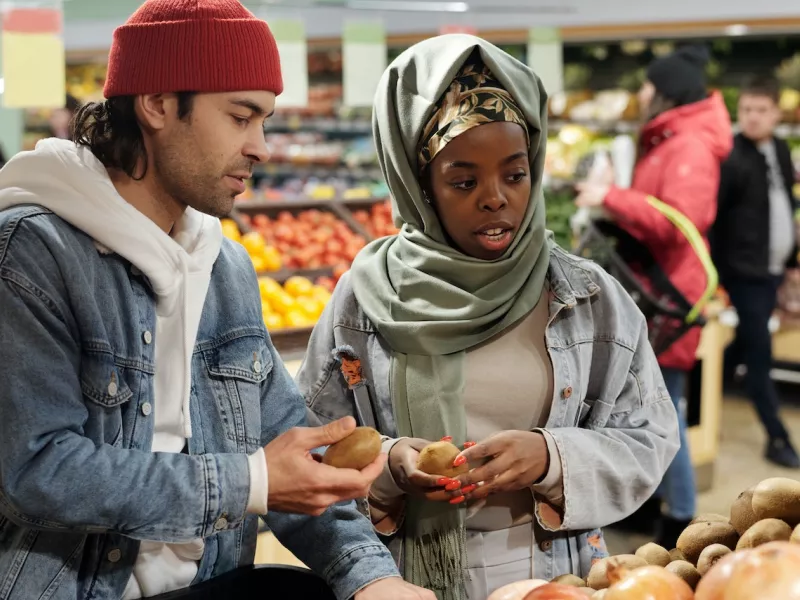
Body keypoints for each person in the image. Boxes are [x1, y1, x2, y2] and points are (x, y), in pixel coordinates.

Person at [0, 1, 434, 599]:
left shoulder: (222, 265)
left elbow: (285, 446)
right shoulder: (33, 253)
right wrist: (248, 482)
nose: (260, 146)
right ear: (155, 103)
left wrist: (371, 577)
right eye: (239, 116)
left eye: (265, 120)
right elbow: (37, 471)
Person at [297, 35, 679, 600]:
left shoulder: (588, 299)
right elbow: (306, 450)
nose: (496, 198)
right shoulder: (362, 301)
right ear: (419, 183)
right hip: (400, 582)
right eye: (464, 180)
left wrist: (552, 456)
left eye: (515, 174)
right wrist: (388, 464)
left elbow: (650, 438)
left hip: (555, 580)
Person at [574, 44, 733, 548]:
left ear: (663, 90)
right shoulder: (671, 139)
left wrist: (611, 199)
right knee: (651, 404)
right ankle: (655, 505)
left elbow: (681, 222)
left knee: (666, 409)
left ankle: (681, 515)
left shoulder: (688, 145)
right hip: (659, 289)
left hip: (669, 297)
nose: (639, 93)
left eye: (646, 84)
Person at [712, 75, 800, 469]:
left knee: (743, 345)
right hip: (744, 273)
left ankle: (702, 397)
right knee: (760, 352)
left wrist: (792, 259)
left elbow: (785, 205)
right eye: (746, 109)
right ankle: (777, 436)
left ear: (776, 113)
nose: (752, 117)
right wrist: (716, 275)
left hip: (772, 269)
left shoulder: (780, 149)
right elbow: (716, 218)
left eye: (761, 110)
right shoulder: (731, 156)